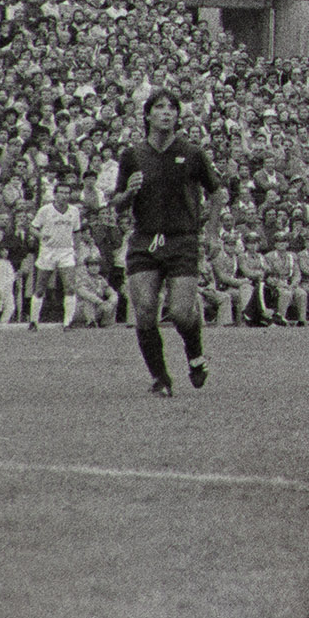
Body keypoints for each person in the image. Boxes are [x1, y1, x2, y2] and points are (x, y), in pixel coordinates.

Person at [114, 88, 222, 394]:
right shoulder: (132, 155)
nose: (166, 112)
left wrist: (212, 234)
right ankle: (161, 378)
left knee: (179, 311)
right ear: (147, 114)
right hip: (145, 240)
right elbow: (118, 203)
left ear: (178, 116)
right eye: (159, 107)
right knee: (145, 310)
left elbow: (217, 192)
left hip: (181, 240)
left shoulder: (192, 153)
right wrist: (129, 192)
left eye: (172, 108)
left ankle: (196, 356)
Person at [29, 181, 83, 332]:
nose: (64, 196)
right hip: (48, 251)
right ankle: (33, 321)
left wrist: (76, 251)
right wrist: (41, 236)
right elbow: (33, 227)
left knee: (70, 286)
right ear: (55, 194)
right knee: (40, 287)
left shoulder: (74, 211)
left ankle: (68, 323)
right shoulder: (45, 210)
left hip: (66, 251)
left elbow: (77, 231)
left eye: (67, 193)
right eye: (61, 192)